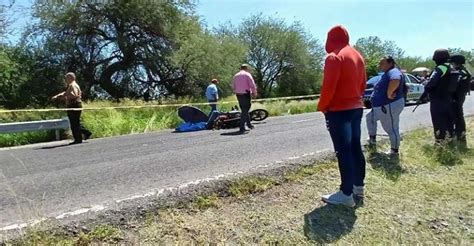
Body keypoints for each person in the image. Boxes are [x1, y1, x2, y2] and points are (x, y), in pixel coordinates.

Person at [317, 25, 367, 207]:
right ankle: (358, 187)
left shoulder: (334, 56)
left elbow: (328, 86)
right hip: (356, 107)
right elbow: (363, 84)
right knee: (355, 148)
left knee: (343, 150)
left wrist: (323, 106)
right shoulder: (357, 56)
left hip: (338, 110)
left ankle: (346, 194)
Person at [366, 56, 406, 156]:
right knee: (369, 117)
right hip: (380, 107)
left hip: (388, 105)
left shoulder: (393, 71)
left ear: (390, 63)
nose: (380, 65)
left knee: (391, 128)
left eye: (382, 63)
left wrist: (389, 92)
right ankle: (372, 140)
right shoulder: (386, 74)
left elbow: (395, 80)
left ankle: (394, 152)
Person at [419, 49, 455, 143]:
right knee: (449, 122)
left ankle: (439, 143)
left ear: (436, 59)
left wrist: (425, 83)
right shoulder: (451, 67)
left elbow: (431, 83)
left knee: (438, 123)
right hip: (449, 99)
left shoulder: (440, 68)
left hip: (438, 100)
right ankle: (450, 141)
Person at [52, 72, 92, 144]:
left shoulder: (73, 85)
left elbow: (74, 95)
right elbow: (66, 93)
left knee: (74, 123)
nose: (65, 79)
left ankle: (79, 138)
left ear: (71, 78)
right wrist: (58, 95)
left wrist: (64, 98)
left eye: (66, 78)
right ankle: (85, 134)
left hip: (74, 105)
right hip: (74, 105)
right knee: (75, 122)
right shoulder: (71, 86)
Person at [450, 54, 472, 147]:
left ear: (456, 63)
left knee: (458, 117)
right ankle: (459, 136)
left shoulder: (461, 72)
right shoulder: (463, 70)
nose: (452, 64)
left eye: (452, 62)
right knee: (457, 116)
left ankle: (461, 137)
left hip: (457, 97)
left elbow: (454, 84)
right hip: (459, 96)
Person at [232, 64, 257, 134]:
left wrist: (237, 91)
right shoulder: (247, 74)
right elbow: (252, 84)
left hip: (238, 94)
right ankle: (242, 127)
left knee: (244, 109)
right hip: (246, 94)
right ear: (246, 68)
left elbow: (233, 86)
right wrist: (254, 93)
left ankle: (249, 125)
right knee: (245, 110)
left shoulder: (235, 76)